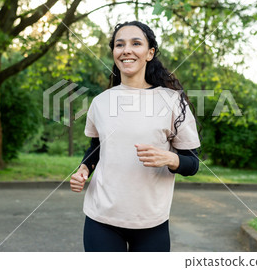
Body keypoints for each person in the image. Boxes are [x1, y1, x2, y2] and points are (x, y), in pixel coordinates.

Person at [70, 21, 201, 252]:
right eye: (120, 45)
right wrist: (84, 168)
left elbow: (192, 163)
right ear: (114, 53)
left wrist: (170, 159)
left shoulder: (172, 101)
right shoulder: (101, 102)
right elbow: (96, 148)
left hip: (152, 222)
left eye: (136, 43)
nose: (126, 50)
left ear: (150, 53)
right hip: (101, 218)